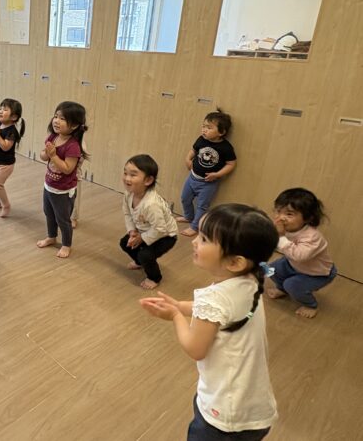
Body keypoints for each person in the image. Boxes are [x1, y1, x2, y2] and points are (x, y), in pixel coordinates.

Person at [140, 204, 278, 440]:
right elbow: (220, 313)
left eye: (204, 239)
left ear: (235, 262)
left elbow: (195, 349)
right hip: (253, 408)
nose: (195, 242)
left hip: (223, 416)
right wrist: (180, 306)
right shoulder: (251, 281)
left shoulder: (215, 297)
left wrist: (175, 316)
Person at [266, 188, 336, 319]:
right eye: (278, 211)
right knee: (272, 270)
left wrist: (281, 237)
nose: (281, 218)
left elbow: (300, 256)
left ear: (308, 218)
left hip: (317, 273)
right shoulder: (284, 228)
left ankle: (310, 305)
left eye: (289, 214)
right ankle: (282, 289)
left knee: (293, 285)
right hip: (293, 264)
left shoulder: (312, 237)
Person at [36, 101, 88, 259]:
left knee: (63, 219)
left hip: (63, 191)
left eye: (62, 118)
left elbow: (67, 168)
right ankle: (51, 237)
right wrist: (47, 153)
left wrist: (53, 156)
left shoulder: (73, 146)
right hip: (49, 185)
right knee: (48, 213)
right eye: (56, 116)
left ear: (74, 125)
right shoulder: (53, 137)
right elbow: (43, 156)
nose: (56, 121)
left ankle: (66, 244)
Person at [119, 154, 178, 289]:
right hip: (145, 230)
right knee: (125, 243)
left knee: (146, 255)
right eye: (125, 173)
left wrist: (141, 238)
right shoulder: (128, 193)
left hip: (166, 236)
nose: (127, 178)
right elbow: (127, 214)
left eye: (133, 175)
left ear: (148, 180)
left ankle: (154, 277)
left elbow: (160, 229)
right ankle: (139, 262)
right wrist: (132, 232)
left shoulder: (151, 204)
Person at [177, 109, 236, 237]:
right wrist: (188, 159)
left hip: (208, 183)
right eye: (203, 126)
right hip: (192, 178)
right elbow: (193, 150)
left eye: (209, 128)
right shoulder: (201, 139)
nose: (204, 130)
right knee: (185, 198)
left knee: (202, 206)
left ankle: (195, 227)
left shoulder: (226, 148)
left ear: (221, 132)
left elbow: (231, 164)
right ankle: (188, 216)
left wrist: (218, 174)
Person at [0, 98, 24, 218]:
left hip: (5, 165)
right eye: (0, 108)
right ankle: (0, 201)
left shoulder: (11, 132)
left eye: (5, 109)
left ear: (13, 117)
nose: (1, 111)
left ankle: (6, 205)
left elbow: (6, 147)